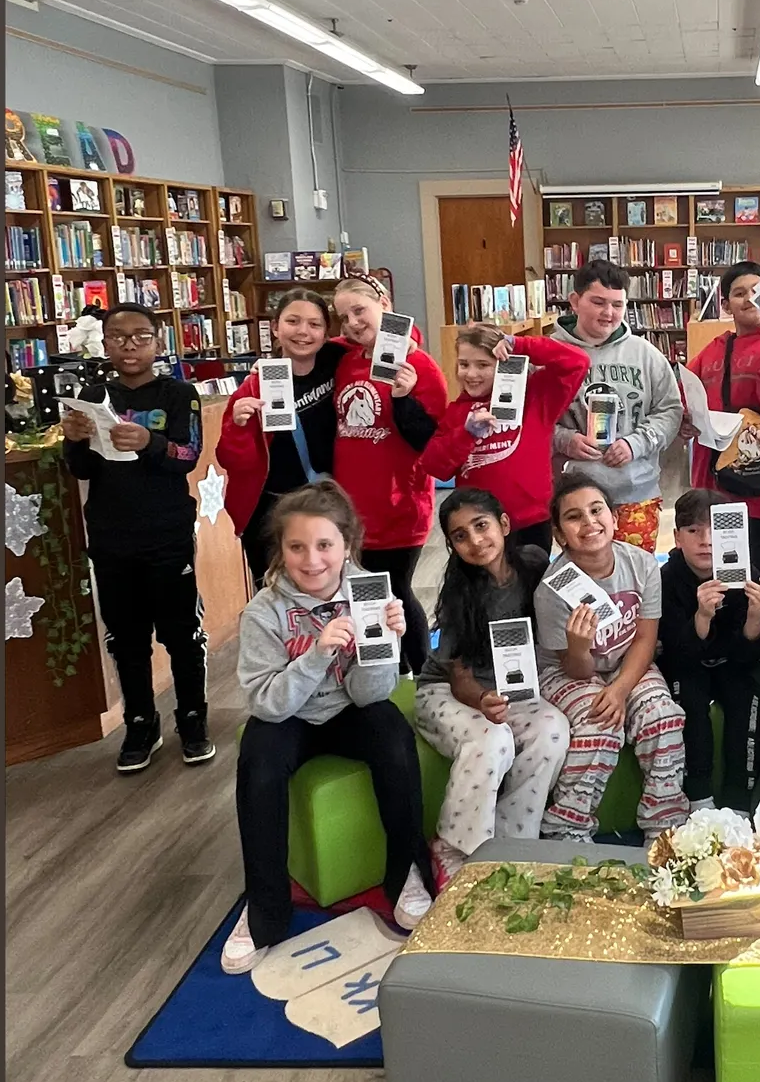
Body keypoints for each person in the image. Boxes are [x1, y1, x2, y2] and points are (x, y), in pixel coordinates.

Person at [221, 481, 434, 974]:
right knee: (259, 765)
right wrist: (317, 655)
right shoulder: (263, 613)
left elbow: (369, 695)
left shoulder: (368, 594)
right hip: (288, 712)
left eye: (325, 545)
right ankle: (264, 911)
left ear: (347, 546)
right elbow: (267, 704)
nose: (312, 560)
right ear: (280, 550)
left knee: (396, 740)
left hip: (349, 708)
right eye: (297, 547)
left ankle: (406, 875)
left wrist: (384, 646)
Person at [58, 303, 213, 774]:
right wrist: (73, 440)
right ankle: (141, 723)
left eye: (141, 336)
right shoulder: (92, 394)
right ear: (104, 344)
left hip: (166, 535)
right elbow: (81, 469)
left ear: (158, 342)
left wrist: (150, 443)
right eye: (118, 337)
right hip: (110, 537)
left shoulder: (178, 393)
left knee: (182, 635)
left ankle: (192, 719)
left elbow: (188, 455)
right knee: (126, 639)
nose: (129, 345)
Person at [415, 489, 571, 885]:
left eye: (481, 526)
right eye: (460, 536)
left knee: (552, 730)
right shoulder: (459, 592)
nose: (475, 540)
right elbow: (457, 674)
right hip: (448, 693)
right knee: (492, 739)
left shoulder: (534, 563)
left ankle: (513, 841)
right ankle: (454, 845)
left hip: (511, 689)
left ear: (503, 525)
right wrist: (482, 700)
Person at [534, 473, 688, 841]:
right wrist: (578, 647)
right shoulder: (550, 591)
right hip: (568, 670)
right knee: (600, 722)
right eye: (574, 517)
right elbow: (574, 667)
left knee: (662, 716)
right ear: (559, 534)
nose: (588, 522)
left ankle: (665, 824)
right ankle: (568, 827)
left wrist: (620, 689)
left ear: (614, 518)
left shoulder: (642, 564)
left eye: (596, 510)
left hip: (627, 661)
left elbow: (645, 638)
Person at [331, 275, 451, 674]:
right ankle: (385, 676)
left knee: (396, 593)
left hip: (399, 503)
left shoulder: (420, 365)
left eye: (359, 310)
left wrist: (404, 398)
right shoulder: (346, 360)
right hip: (351, 507)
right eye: (343, 317)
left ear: (383, 302)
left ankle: (422, 676)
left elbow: (432, 441)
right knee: (365, 594)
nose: (352, 322)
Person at [685, 261, 760, 639]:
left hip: (759, 473)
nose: (748, 298)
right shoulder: (713, 349)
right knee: (719, 557)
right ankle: (724, 634)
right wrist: (687, 418)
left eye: (757, 290)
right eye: (739, 292)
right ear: (726, 303)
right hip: (713, 470)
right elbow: (689, 394)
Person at [416, 325, 589, 556]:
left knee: (531, 586)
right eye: (464, 364)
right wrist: (465, 435)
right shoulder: (457, 412)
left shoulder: (536, 397)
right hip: (478, 527)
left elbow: (577, 361)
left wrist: (518, 345)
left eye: (483, 365)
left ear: (505, 364)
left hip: (531, 522)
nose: (471, 374)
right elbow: (434, 466)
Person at [550, 258, 685, 551]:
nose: (609, 313)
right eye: (598, 302)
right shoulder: (548, 355)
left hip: (636, 492)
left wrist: (636, 443)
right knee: (584, 583)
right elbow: (529, 421)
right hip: (574, 496)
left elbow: (670, 410)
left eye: (617, 304)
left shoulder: (646, 354)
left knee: (636, 578)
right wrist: (564, 440)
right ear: (575, 301)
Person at [216, 289, 348, 586]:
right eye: (292, 321)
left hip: (329, 504)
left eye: (314, 324)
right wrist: (238, 424)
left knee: (331, 591)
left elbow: (382, 339)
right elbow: (233, 461)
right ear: (275, 327)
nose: (303, 332)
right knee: (275, 596)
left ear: (327, 332)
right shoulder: (254, 386)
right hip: (271, 512)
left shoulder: (339, 361)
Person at [658, 488, 760, 813]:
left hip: (736, 662)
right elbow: (676, 654)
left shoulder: (746, 574)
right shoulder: (666, 579)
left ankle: (739, 802)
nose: (706, 540)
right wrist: (702, 616)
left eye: (715, 530)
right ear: (677, 537)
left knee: (748, 701)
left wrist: (756, 615)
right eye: (694, 531)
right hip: (688, 664)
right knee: (688, 703)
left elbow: (749, 655)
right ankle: (698, 798)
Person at [332, 272, 425, 349]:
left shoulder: (411, 355)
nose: (352, 322)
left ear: (384, 304)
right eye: (345, 318)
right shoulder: (343, 355)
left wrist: (398, 340)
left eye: (359, 310)